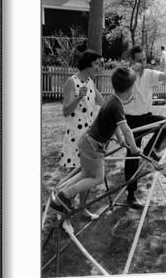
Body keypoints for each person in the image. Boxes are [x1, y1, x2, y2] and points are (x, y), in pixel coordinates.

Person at [51, 66, 141, 216]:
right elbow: (126, 129)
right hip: (92, 146)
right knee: (98, 177)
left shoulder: (111, 100)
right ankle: (64, 196)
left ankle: (61, 194)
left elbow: (117, 126)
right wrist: (134, 149)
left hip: (86, 142)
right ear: (130, 89)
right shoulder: (117, 106)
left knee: (86, 173)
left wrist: (119, 139)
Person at [124, 45, 166, 208]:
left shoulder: (149, 74)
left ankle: (150, 153)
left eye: (144, 59)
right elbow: (121, 89)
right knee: (132, 157)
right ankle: (130, 195)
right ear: (131, 60)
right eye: (138, 60)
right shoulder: (127, 74)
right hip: (130, 121)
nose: (142, 63)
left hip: (145, 116)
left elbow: (165, 76)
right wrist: (133, 73)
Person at [60, 49, 104, 218]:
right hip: (75, 137)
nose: (99, 67)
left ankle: (82, 209)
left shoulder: (91, 82)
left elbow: (102, 102)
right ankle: (62, 209)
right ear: (87, 65)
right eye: (96, 64)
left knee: (88, 174)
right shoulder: (72, 82)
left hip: (88, 137)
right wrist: (78, 97)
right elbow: (65, 111)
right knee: (73, 174)